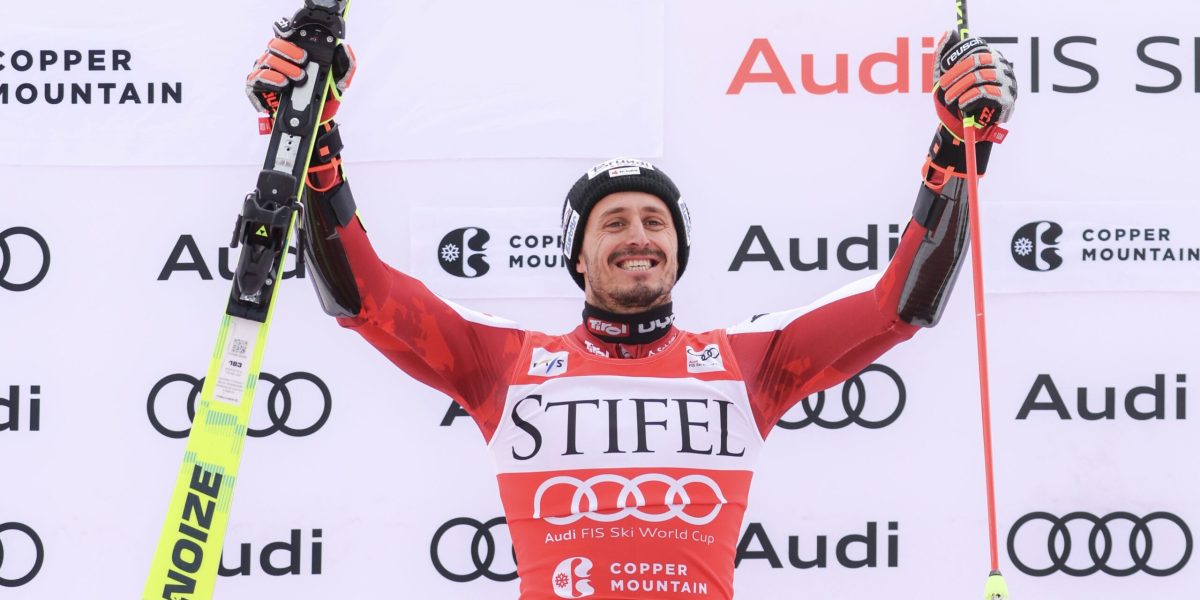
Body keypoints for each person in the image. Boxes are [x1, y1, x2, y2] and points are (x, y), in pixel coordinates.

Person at [246, 24, 1017, 600]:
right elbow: (363, 297)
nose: (638, 236)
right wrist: (315, 147)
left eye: (656, 221)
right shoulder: (503, 365)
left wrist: (955, 152)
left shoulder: (753, 365)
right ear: (578, 257)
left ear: (678, 252)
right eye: (612, 223)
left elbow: (900, 307)